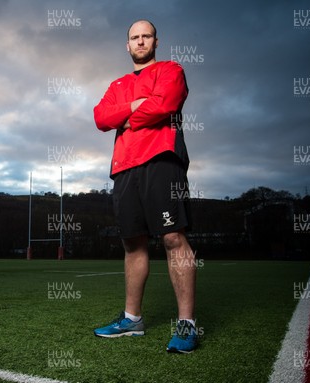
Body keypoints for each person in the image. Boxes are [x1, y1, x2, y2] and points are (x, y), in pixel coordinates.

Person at [92, 19, 198, 353]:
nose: (140, 42)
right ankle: (132, 319)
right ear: (127, 45)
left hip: (161, 159)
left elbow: (165, 104)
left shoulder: (171, 70)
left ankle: (187, 324)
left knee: (171, 236)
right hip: (124, 167)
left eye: (146, 36)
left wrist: (125, 117)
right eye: (134, 38)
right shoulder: (117, 83)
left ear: (156, 41)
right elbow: (100, 118)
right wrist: (135, 106)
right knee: (132, 242)